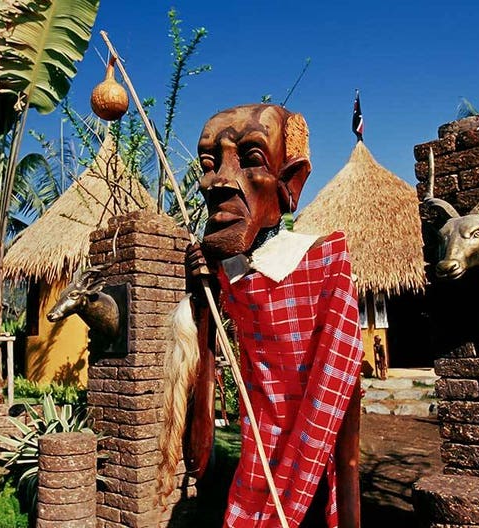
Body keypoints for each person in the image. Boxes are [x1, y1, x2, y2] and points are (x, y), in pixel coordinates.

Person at [178, 103, 364, 527]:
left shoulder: (322, 263)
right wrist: (202, 298)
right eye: (208, 165)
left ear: (289, 181)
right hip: (258, 452)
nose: (218, 181)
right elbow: (198, 445)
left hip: (315, 460)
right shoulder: (233, 277)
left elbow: (342, 399)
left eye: (251, 159)